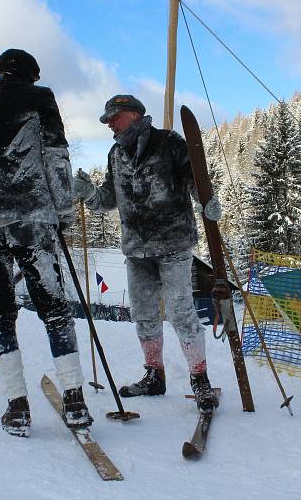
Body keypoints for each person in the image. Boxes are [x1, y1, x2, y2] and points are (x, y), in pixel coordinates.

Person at [0, 48, 92, 436]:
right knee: (54, 307)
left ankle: (16, 406)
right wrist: (61, 212)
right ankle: (75, 402)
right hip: (30, 215)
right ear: (31, 74)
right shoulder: (40, 98)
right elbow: (57, 157)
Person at [72, 94, 221, 412]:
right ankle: (154, 375)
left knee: (181, 313)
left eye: (114, 116)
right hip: (137, 249)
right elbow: (108, 199)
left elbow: (195, 179)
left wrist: (206, 200)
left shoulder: (168, 142)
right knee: (143, 315)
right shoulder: (115, 154)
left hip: (173, 244)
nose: (110, 123)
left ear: (135, 114)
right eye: (107, 119)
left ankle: (201, 380)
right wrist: (89, 194)